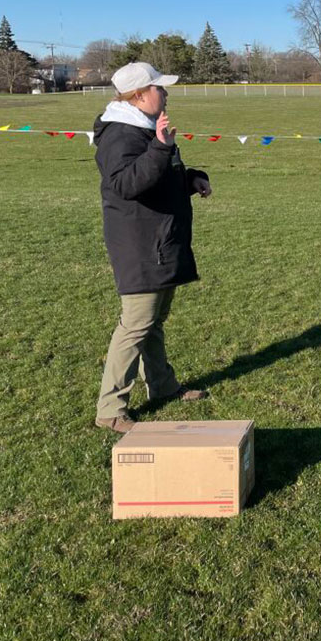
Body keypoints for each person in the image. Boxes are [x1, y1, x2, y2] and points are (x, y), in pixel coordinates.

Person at [93, 62, 212, 433]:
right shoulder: (120, 136)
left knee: (153, 322)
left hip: (160, 239)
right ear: (140, 95)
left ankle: (161, 386)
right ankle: (111, 409)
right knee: (136, 325)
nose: (166, 93)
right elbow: (126, 184)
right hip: (141, 245)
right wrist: (161, 148)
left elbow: (157, 177)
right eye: (160, 88)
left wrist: (191, 178)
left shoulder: (146, 129)